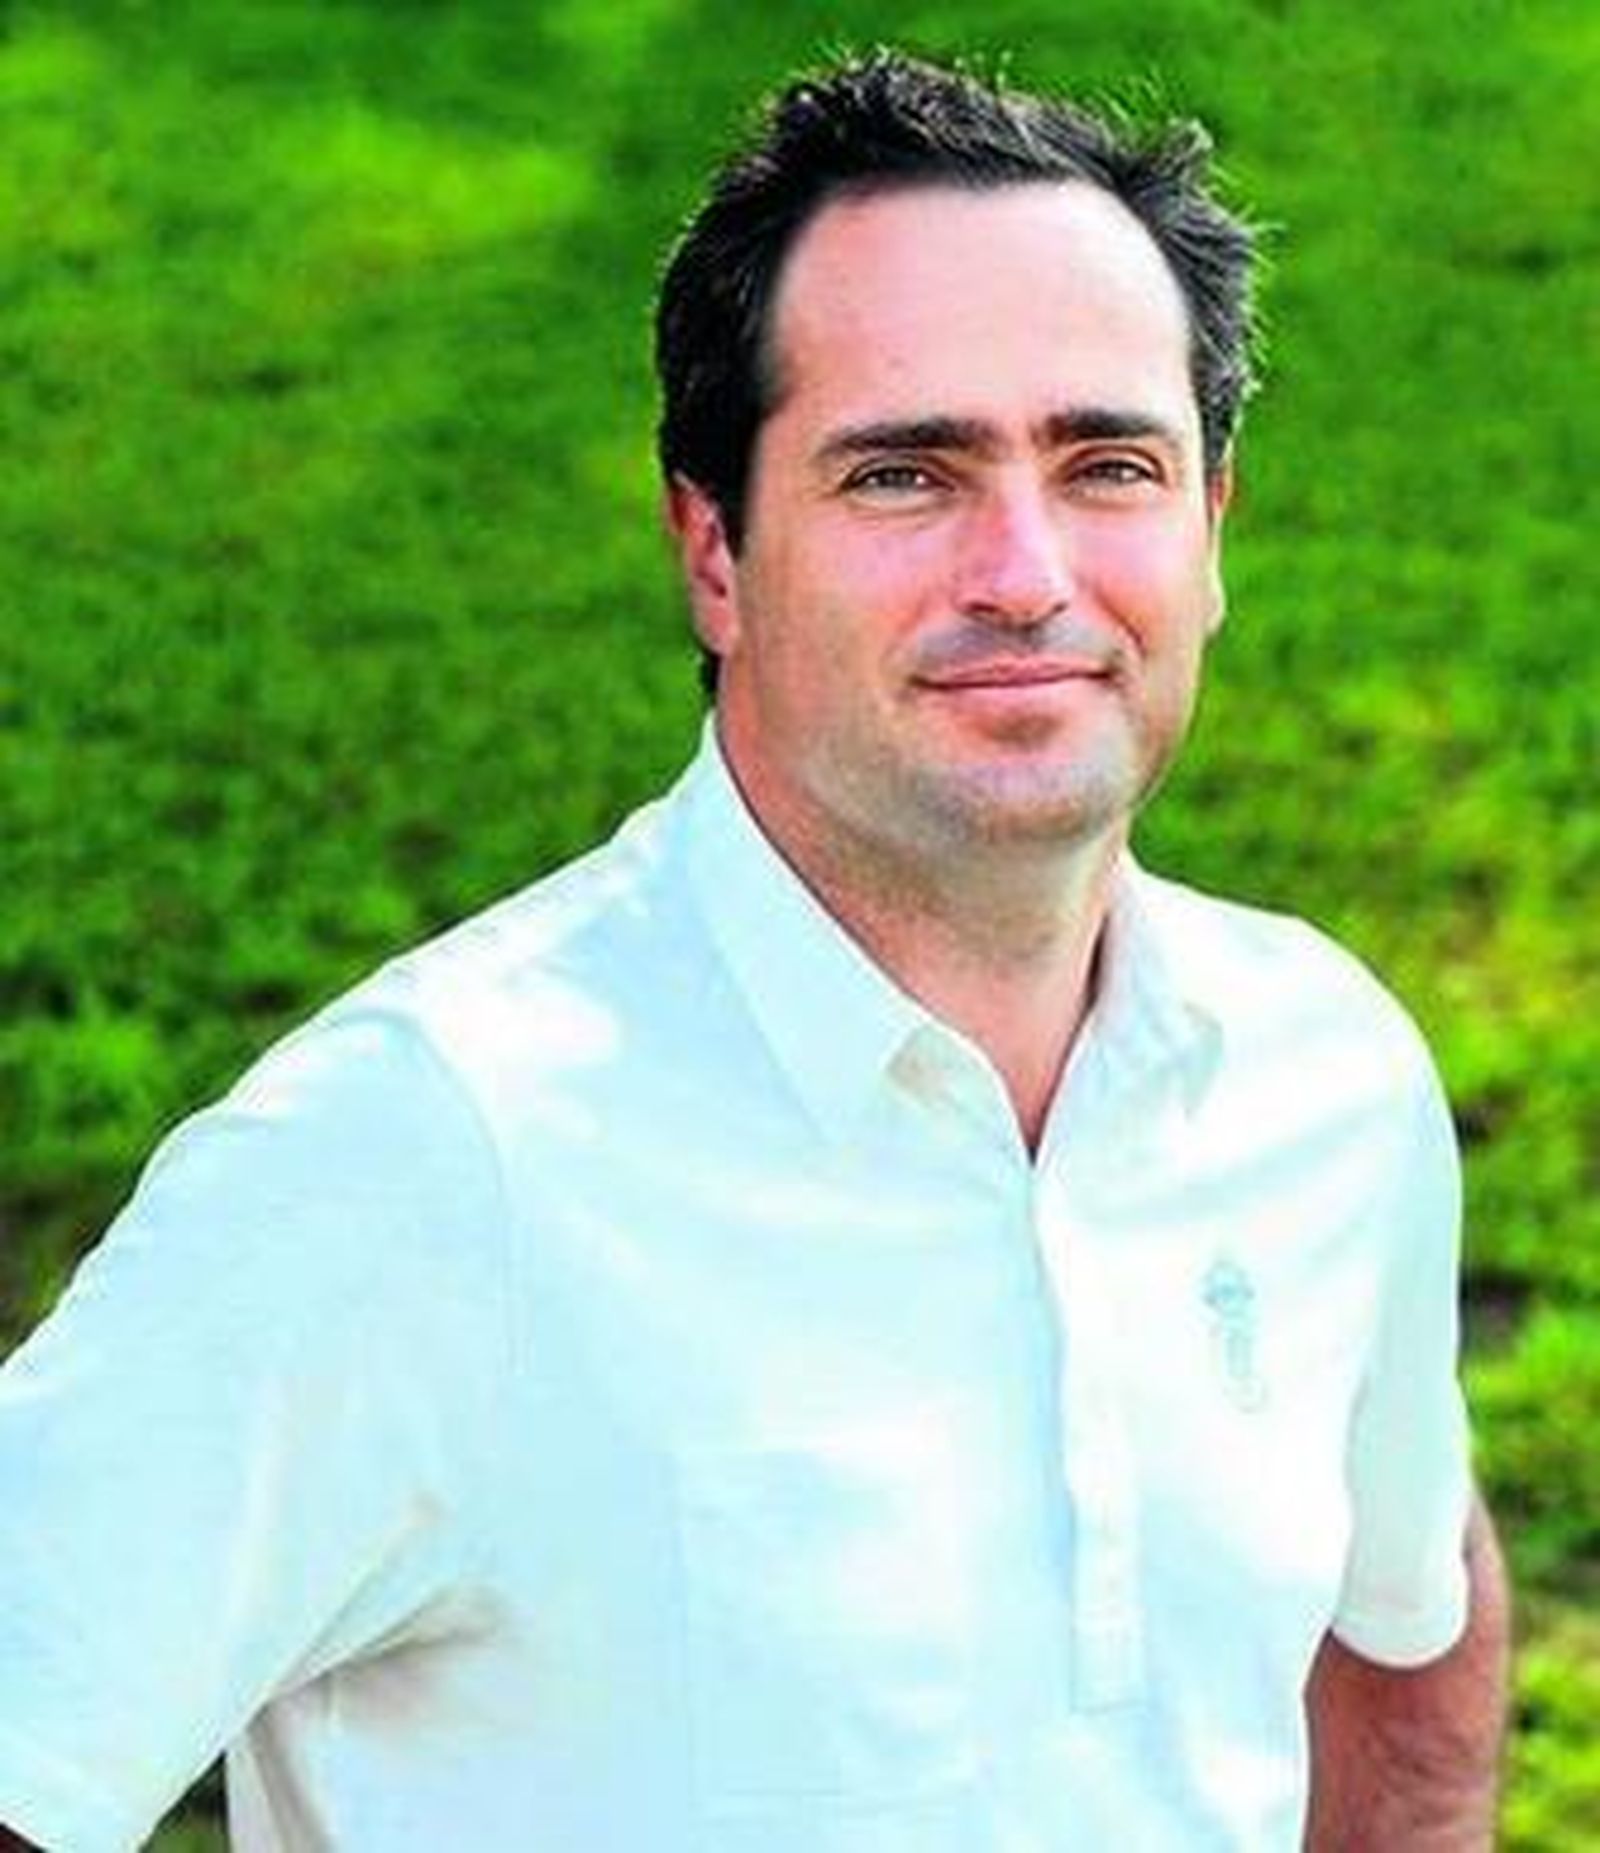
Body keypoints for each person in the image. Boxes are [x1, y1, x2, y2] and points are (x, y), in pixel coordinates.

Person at [0, 50, 1510, 1852]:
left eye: (1109, 463)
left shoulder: (1324, 1071)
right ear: (714, 551)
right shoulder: (416, 1156)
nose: (1026, 572)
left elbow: (1405, 1617)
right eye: (905, 474)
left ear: (1212, 533)